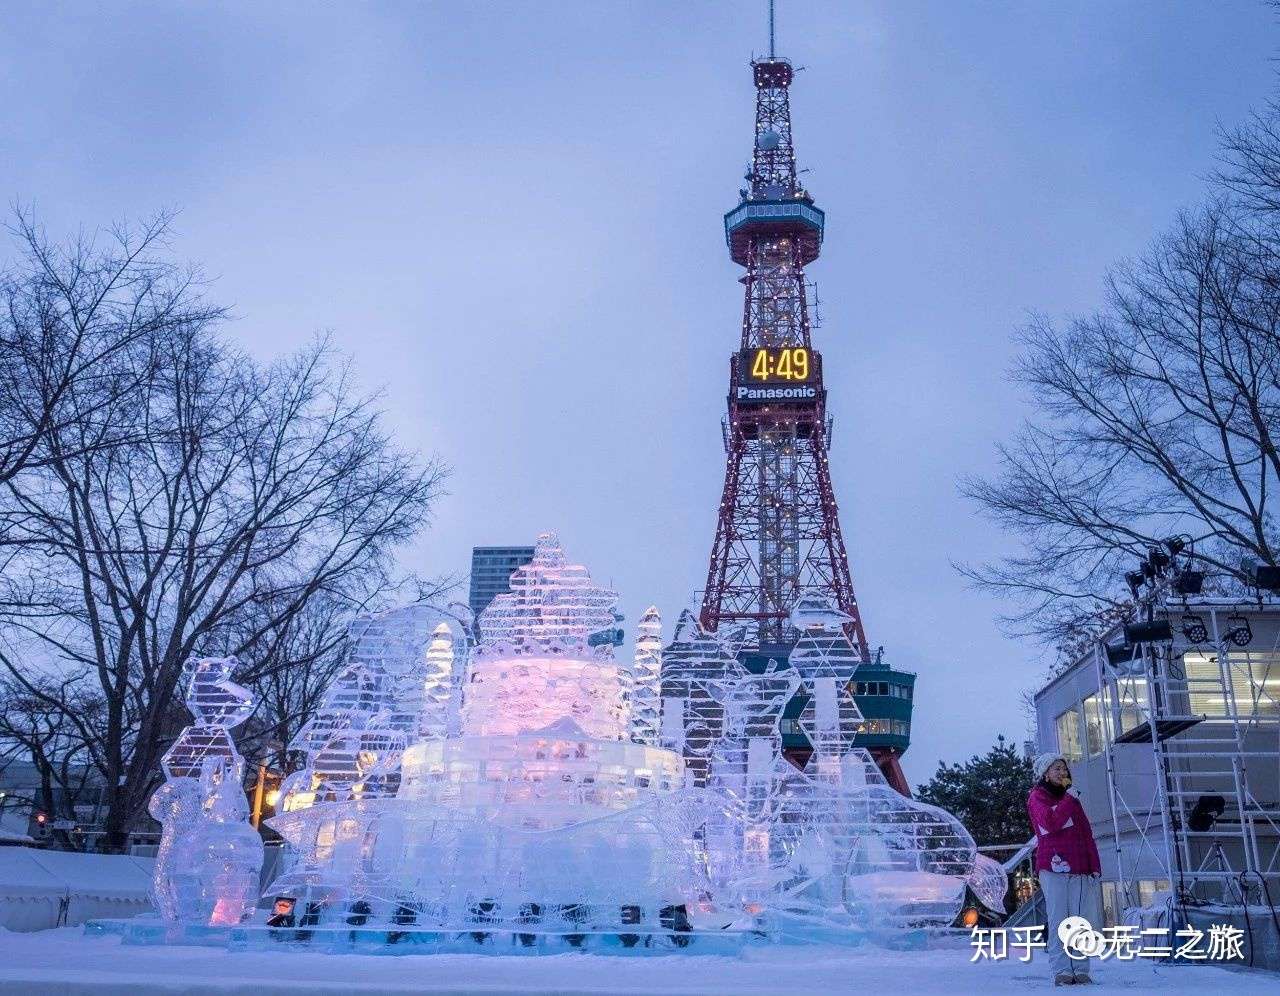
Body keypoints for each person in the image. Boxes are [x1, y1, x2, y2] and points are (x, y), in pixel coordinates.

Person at [1028, 753, 1102, 986]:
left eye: (1064, 768)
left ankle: (1080, 968)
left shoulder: (1071, 798)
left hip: (1079, 866)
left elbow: (1085, 833)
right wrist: (1069, 799)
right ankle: (1061, 970)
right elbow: (1050, 822)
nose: (1062, 772)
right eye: (1057, 768)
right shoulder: (1037, 797)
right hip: (1053, 866)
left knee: (1079, 919)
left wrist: (1094, 864)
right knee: (1059, 917)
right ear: (1045, 774)